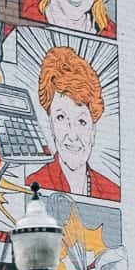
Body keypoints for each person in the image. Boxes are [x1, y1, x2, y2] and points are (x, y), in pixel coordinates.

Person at [30, 43, 120, 199]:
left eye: (81, 121)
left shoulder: (112, 193)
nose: (72, 135)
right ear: (50, 125)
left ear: (93, 131)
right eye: (61, 118)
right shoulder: (32, 186)